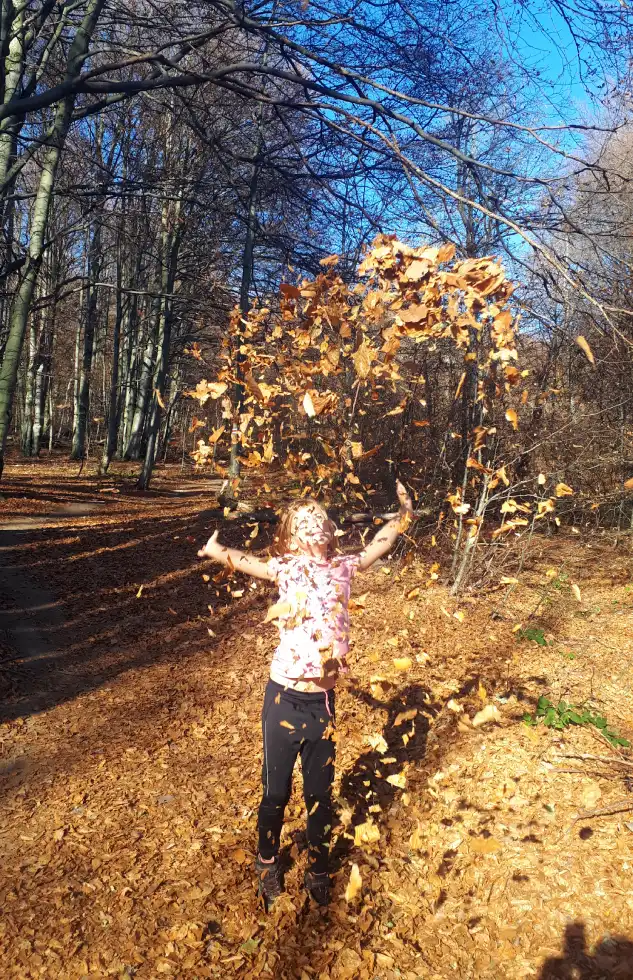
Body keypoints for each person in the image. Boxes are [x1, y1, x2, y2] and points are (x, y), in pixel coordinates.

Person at [197, 481, 414, 908]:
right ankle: (267, 861)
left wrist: (404, 515)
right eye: (304, 521)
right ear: (294, 536)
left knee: (319, 795)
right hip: (282, 700)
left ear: (332, 529)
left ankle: (317, 868)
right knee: (276, 793)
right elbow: (250, 563)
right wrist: (215, 550)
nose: (315, 525)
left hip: (322, 704)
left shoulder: (345, 566)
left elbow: (380, 544)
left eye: (320, 518)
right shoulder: (287, 567)